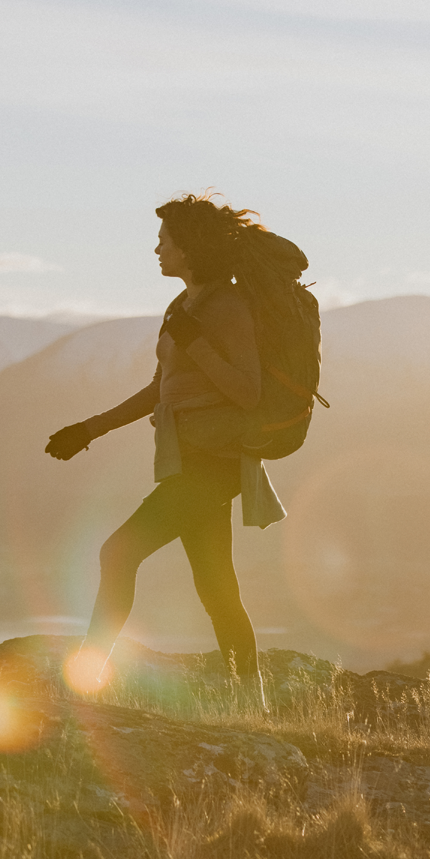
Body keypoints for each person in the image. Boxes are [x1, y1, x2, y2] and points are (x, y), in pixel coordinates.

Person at [44, 193, 288, 709]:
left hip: (213, 464)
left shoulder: (226, 307)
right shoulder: (182, 306)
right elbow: (162, 388)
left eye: (165, 241)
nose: (156, 250)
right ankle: (253, 702)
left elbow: (248, 391)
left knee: (118, 551)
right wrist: (88, 429)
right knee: (217, 585)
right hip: (189, 459)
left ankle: (86, 680)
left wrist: (197, 342)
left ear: (190, 248)